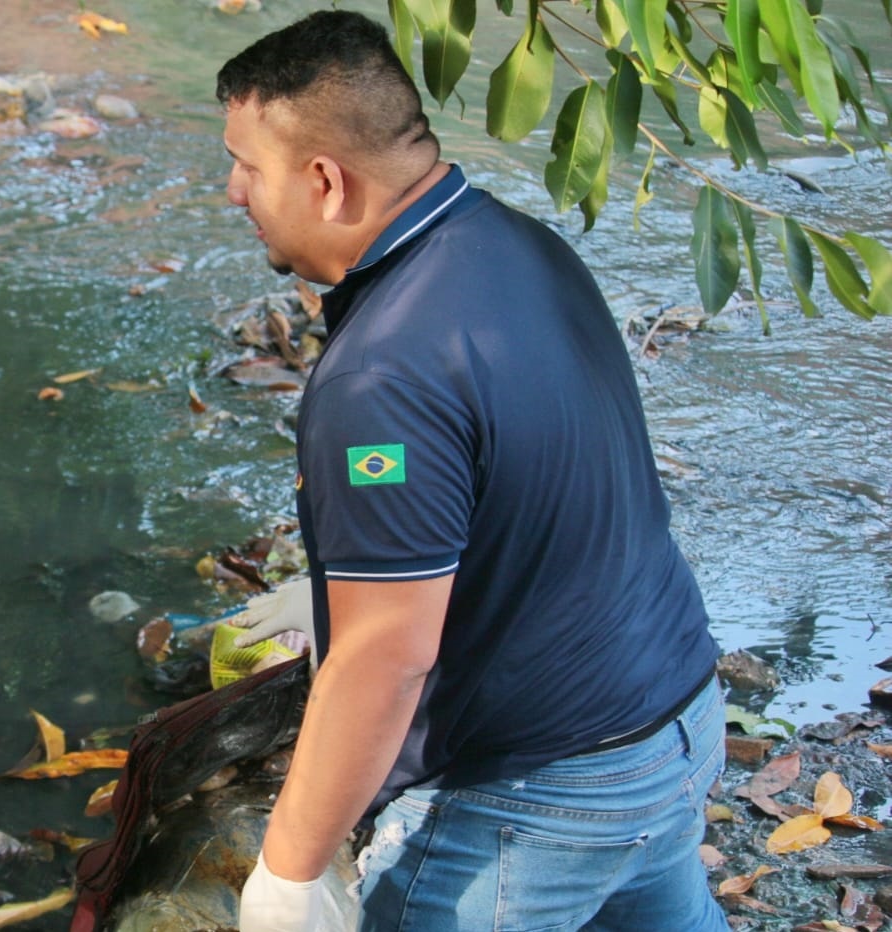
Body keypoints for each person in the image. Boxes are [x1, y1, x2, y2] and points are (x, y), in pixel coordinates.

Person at [215, 12, 724, 931]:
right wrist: (337, 587)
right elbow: (533, 484)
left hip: (535, 799)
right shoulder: (522, 246)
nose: (231, 189)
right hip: (677, 719)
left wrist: (289, 871)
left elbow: (386, 656)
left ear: (325, 181)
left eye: (247, 166)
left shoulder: (379, 373)